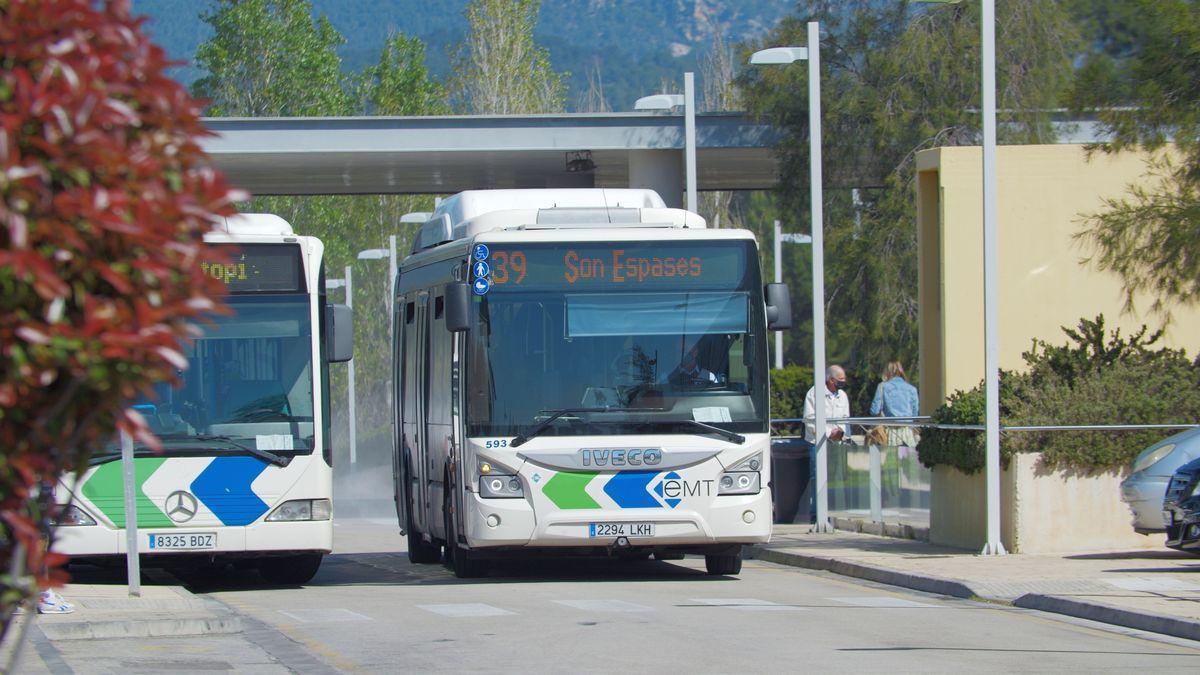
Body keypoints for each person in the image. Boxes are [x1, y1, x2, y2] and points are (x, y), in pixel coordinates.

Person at [869, 360, 920, 449]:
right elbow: (915, 415)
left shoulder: (882, 387)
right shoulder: (912, 389)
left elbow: (874, 411)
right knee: (908, 460)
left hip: (889, 432)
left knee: (890, 460)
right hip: (907, 432)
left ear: (887, 372)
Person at [803, 365, 851, 444]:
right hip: (816, 443)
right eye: (841, 379)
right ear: (831, 380)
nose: (844, 381)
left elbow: (845, 419)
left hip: (838, 443)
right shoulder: (814, 392)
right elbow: (809, 419)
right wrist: (830, 433)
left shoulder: (843, 395)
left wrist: (842, 435)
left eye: (845, 378)